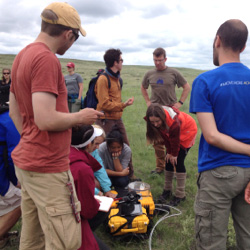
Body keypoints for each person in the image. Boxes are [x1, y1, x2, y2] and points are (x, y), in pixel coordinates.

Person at [9, 2, 103, 250]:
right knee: (65, 241)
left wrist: (30, 139)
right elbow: (45, 119)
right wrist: (80, 117)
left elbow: (14, 108)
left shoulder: (22, 55)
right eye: (74, 39)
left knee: (34, 237)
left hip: (27, 163)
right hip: (48, 168)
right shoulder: (46, 59)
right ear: (68, 34)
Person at [189, 19, 250, 249]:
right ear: (243, 47)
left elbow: (212, 136)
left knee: (212, 240)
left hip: (218, 172)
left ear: (218, 40)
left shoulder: (205, 81)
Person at [141, 47, 191, 174]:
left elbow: (186, 87)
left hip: (170, 111)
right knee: (157, 141)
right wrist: (148, 102)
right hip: (155, 112)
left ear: (165, 59)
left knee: (173, 139)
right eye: (155, 60)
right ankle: (160, 167)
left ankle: (174, 168)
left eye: (159, 60)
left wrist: (180, 103)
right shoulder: (149, 73)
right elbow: (143, 87)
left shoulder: (173, 72)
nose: (157, 63)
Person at [145, 104, 197, 206]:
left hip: (187, 130)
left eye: (157, 121)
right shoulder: (156, 119)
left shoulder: (174, 122)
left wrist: (174, 154)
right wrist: (169, 152)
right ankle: (167, 190)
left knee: (178, 161)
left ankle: (180, 195)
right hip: (175, 134)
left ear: (163, 118)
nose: (155, 124)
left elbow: (175, 140)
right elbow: (166, 137)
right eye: (152, 122)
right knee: (168, 160)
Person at [94, 48, 135, 178]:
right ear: (115, 62)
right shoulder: (103, 79)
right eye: (121, 60)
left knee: (125, 145)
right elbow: (104, 103)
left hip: (117, 118)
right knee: (100, 147)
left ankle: (129, 175)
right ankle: (99, 176)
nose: (122, 62)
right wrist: (123, 105)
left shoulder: (117, 78)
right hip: (105, 119)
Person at [70, 125, 110, 250]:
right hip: (71, 218)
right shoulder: (82, 169)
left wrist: (106, 188)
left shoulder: (67, 154)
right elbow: (88, 210)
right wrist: (97, 200)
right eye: (95, 143)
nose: (97, 147)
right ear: (88, 145)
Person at [0, 77, 21, 249]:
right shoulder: (10, 119)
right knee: (25, 200)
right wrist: (17, 183)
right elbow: (14, 155)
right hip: (2, 181)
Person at [92, 125, 117, 198]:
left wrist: (107, 190)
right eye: (96, 144)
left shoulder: (94, 152)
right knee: (96, 184)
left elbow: (100, 169)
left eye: (100, 144)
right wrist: (96, 192)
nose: (98, 147)